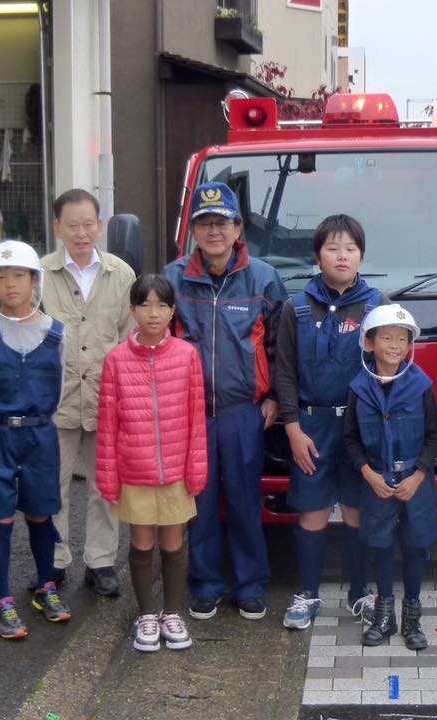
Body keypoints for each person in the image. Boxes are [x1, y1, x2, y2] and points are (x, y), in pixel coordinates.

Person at [163, 182, 287, 621]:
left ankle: (250, 586)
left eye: (222, 222)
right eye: (205, 223)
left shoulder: (263, 278)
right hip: (191, 415)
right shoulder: (173, 279)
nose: (214, 231)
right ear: (193, 231)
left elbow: (281, 345)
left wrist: (275, 396)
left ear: (237, 228)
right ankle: (205, 585)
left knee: (243, 502)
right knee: (198, 504)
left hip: (242, 414)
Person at [274, 214, 382, 630]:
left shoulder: (376, 305)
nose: (342, 256)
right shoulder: (297, 307)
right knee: (313, 512)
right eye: (333, 248)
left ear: (361, 256)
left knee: (357, 511)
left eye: (350, 249)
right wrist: (292, 428)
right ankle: (307, 594)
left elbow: (389, 369)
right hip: (311, 427)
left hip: (359, 426)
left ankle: (360, 594)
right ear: (318, 255)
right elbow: (284, 372)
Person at [96, 274, 208, 652]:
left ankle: (171, 613)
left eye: (162, 305)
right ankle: (146, 614)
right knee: (142, 542)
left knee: (174, 542)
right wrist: (108, 477)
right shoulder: (116, 360)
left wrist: (196, 469)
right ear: (132, 311)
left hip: (176, 470)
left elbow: (196, 419)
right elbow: (108, 425)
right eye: (144, 305)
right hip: (135, 470)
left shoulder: (187, 355)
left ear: (173, 311)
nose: (153, 313)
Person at [0, 240, 70, 640]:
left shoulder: (55, 332)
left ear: (34, 281)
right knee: (0, 517)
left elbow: (58, 388)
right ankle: (2, 602)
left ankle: (46, 586)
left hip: (39, 434)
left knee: (41, 513)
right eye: (1, 277)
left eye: (18, 276)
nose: (10, 284)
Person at [41, 189, 136, 597]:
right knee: (52, 485)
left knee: (105, 486)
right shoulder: (39, 275)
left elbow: (130, 338)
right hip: (55, 398)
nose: (81, 233)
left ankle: (101, 561)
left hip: (106, 398)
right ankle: (53, 559)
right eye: (72, 225)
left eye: (88, 224)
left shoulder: (121, 274)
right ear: (58, 228)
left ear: (100, 226)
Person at [342, 304, 437, 650]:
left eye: (402, 339)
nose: (395, 345)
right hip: (377, 480)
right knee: (381, 544)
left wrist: (418, 474)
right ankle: (384, 615)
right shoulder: (359, 387)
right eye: (386, 338)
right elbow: (350, 438)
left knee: (415, 546)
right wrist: (368, 474)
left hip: (415, 480)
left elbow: (435, 434)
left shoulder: (421, 385)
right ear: (369, 343)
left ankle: (412, 617)